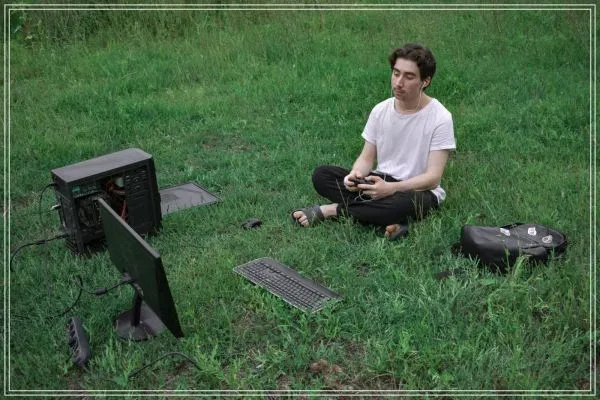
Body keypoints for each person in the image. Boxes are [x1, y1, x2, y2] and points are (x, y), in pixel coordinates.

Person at [291, 43, 456, 240]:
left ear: (425, 81)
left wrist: (392, 189)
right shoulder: (380, 110)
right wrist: (355, 175)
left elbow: (433, 178)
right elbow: (366, 158)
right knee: (322, 175)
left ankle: (332, 210)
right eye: (396, 73)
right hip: (380, 181)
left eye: (409, 77)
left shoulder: (440, 117)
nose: (399, 82)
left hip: (417, 191)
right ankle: (388, 219)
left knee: (402, 204)